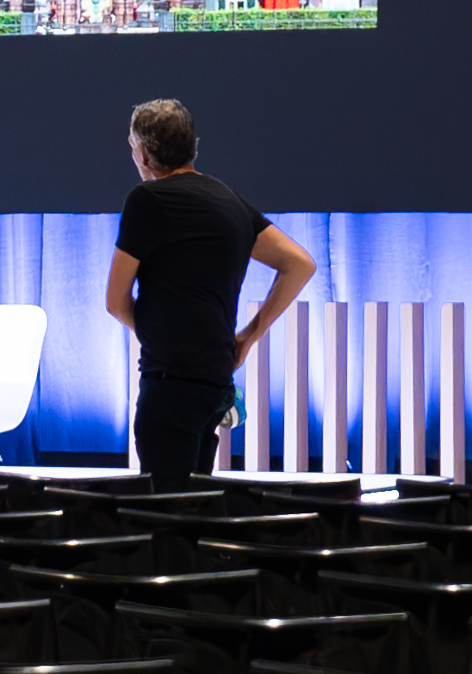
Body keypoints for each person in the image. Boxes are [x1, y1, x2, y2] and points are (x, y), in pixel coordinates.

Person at [105, 93, 316, 480]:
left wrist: (159, 335)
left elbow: (116, 302)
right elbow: (299, 264)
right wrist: (250, 336)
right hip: (215, 384)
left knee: (165, 516)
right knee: (196, 512)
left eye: (133, 147)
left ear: (146, 156)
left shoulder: (146, 199)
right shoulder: (229, 201)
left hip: (169, 385)